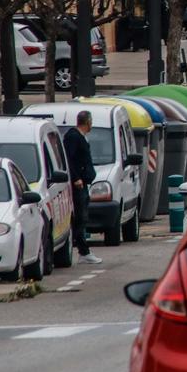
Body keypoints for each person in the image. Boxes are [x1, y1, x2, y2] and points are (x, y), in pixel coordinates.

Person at [62, 110, 102, 264]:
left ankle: (83, 250)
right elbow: (69, 159)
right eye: (91, 122)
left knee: (83, 217)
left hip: (84, 183)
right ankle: (83, 251)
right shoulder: (73, 137)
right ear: (88, 122)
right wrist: (76, 177)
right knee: (80, 218)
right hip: (78, 185)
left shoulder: (81, 137)